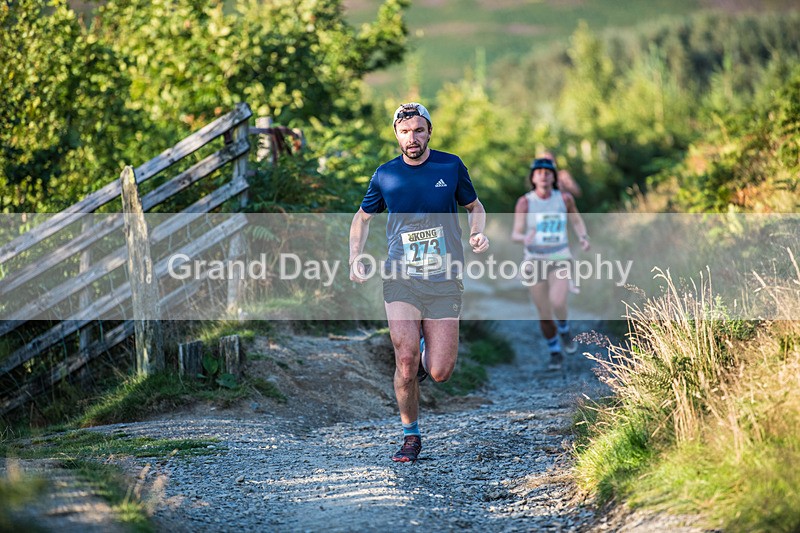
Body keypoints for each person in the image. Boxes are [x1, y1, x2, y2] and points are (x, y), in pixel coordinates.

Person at [349, 102, 489, 463]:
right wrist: (355, 256)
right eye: (405, 131)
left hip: (444, 278)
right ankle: (411, 435)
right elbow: (362, 219)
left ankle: (427, 351)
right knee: (406, 359)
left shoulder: (450, 165)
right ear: (396, 135)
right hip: (400, 276)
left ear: (429, 132)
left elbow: (475, 207)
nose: (412, 138)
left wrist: (477, 234)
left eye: (419, 130)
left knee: (439, 372)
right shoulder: (385, 175)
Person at [511, 157, 589, 370]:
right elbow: (516, 233)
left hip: (559, 256)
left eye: (548, 172)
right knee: (544, 312)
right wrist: (524, 238)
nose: (544, 176)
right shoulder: (525, 202)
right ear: (533, 178)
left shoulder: (564, 199)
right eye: (539, 172)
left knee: (557, 301)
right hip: (535, 259)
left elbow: (576, 220)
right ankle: (555, 351)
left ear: (554, 177)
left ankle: (564, 328)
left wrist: (582, 237)